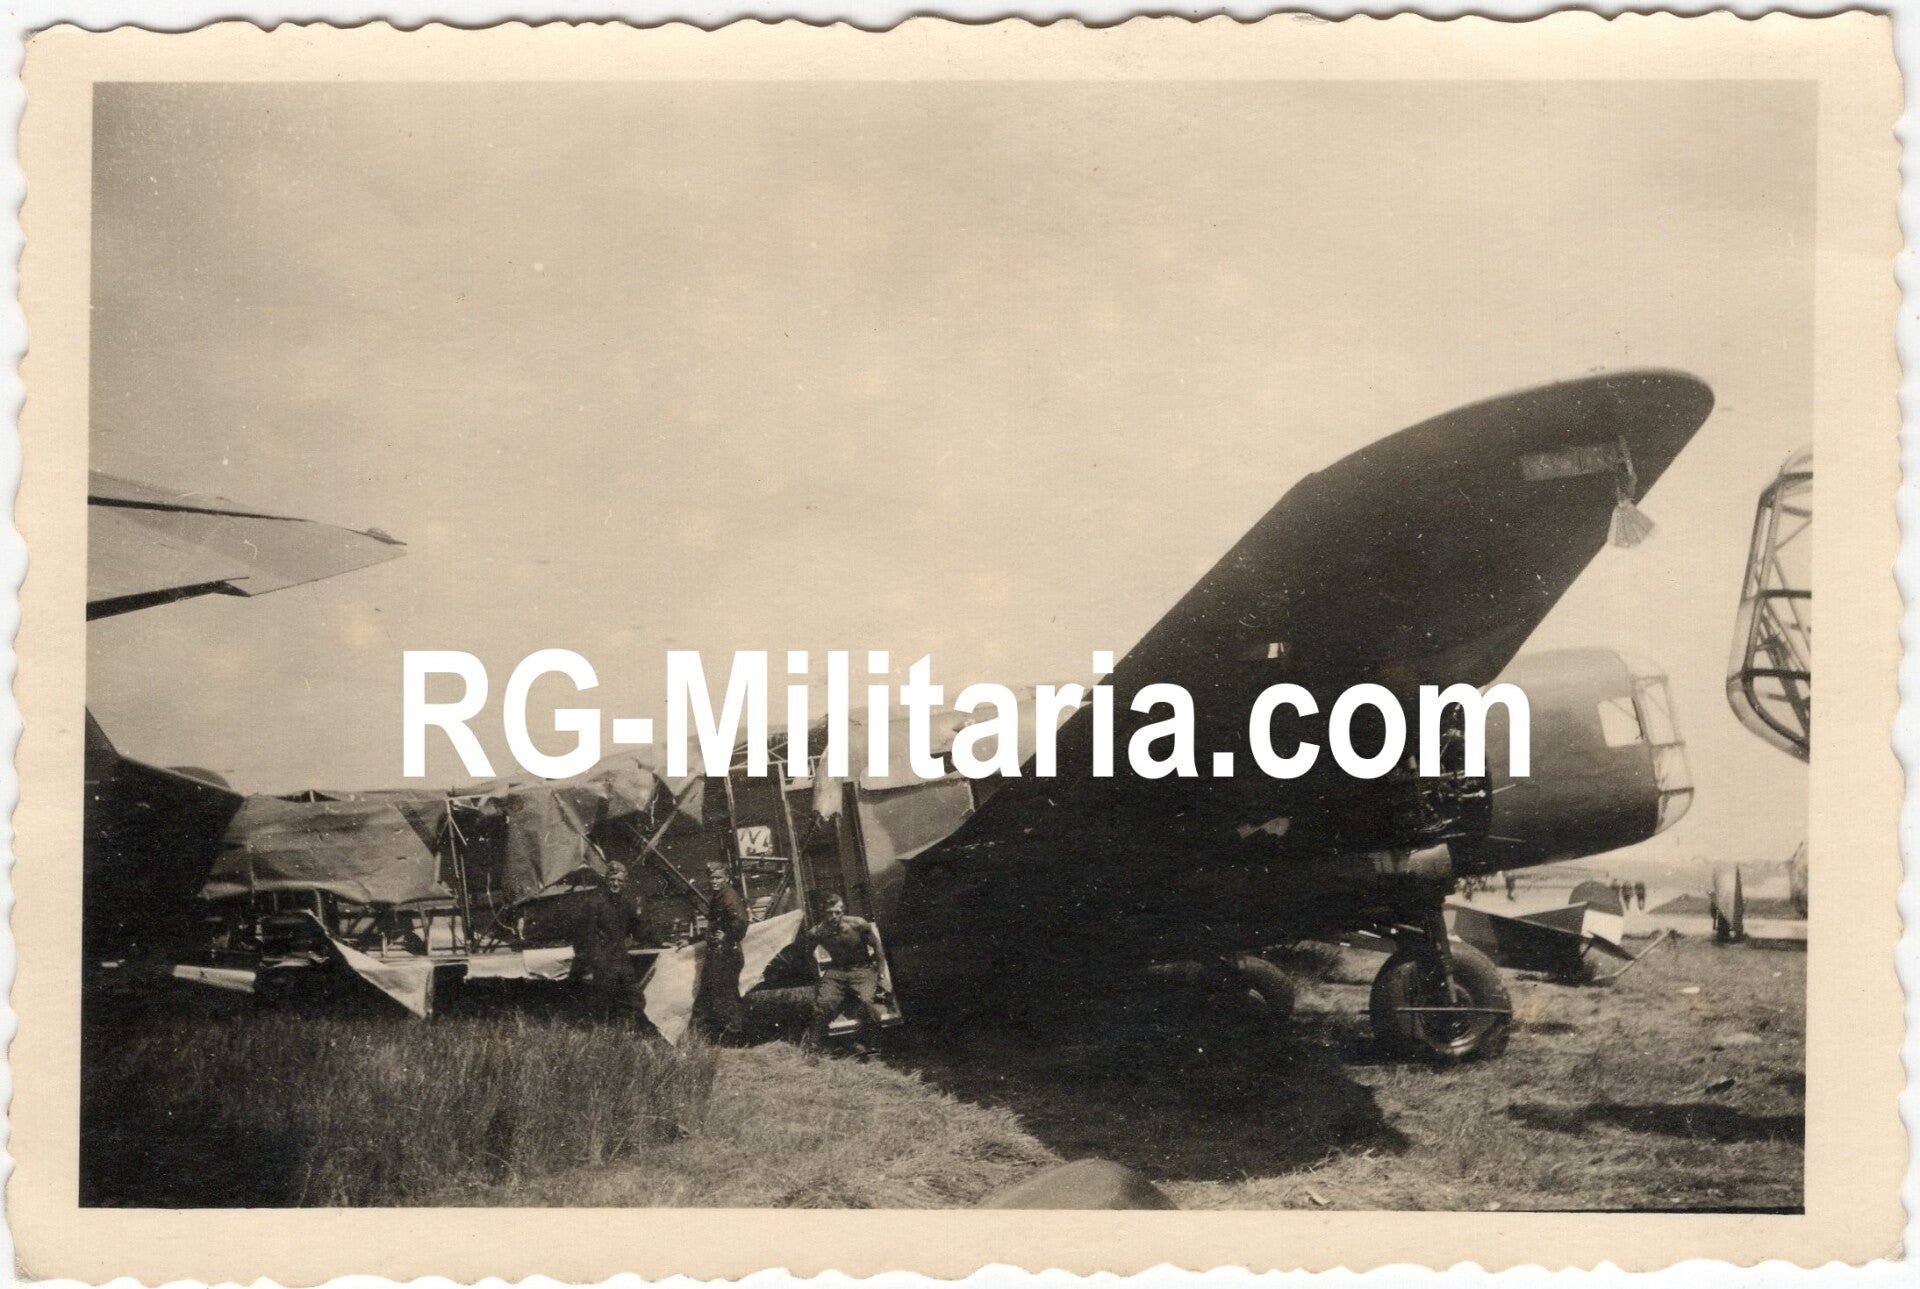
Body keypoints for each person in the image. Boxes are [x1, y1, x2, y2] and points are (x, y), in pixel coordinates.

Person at [802, 894, 886, 1057]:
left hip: (862, 970)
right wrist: (817, 978)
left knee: (869, 1003)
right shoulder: (817, 932)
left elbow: (876, 945)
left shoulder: (858, 924)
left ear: (843, 911)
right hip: (836, 971)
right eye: (829, 913)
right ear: (823, 913)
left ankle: (870, 1043)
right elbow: (807, 954)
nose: (834, 917)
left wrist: (881, 970)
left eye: (837, 912)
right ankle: (814, 1047)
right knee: (824, 1003)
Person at [565, 866, 649, 1027]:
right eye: (612, 880)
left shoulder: (625, 903)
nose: (615, 884)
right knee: (601, 1000)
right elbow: (583, 936)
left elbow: (638, 929)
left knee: (634, 997)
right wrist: (594, 962)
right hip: (601, 959)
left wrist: (658, 940)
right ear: (606, 880)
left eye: (619, 881)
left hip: (620, 958)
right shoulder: (594, 903)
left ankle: (625, 1029)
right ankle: (598, 1033)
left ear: (624, 883)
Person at [693, 861, 751, 1041]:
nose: (714, 881)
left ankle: (734, 1037)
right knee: (713, 994)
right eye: (712, 878)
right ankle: (710, 1035)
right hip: (719, 954)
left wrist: (726, 936)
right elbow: (713, 927)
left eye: (718, 878)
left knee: (726, 997)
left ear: (727, 878)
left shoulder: (729, 897)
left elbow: (741, 921)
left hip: (727, 955)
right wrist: (690, 940)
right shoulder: (718, 897)